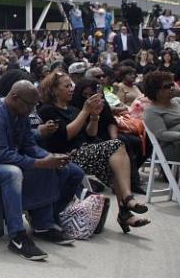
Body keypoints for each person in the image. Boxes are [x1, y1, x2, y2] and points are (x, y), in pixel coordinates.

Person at [0, 80, 85, 260]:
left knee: (70, 171)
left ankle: (44, 223)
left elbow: (29, 145)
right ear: (14, 97)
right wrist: (41, 163)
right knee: (13, 173)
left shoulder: (20, 112)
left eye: (35, 105)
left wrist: (50, 157)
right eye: (29, 105)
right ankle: (17, 236)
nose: (32, 110)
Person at [37, 71, 150, 232]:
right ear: (54, 90)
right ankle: (127, 201)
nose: (71, 89)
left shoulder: (72, 109)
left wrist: (94, 116)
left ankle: (125, 210)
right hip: (66, 155)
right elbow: (65, 135)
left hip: (84, 151)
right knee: (116, 146)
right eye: (66, 86)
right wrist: (85, 112)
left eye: (71, 85)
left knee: (115, 159)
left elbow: (90, 135)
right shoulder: (48, 110)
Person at [142, 70, 180, 166]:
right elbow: (162, 134)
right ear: (155, 90)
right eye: (166, 87)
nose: (172, 88)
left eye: (172, 85)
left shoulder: (179, 101)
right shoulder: (151, 111)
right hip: (172, 147)